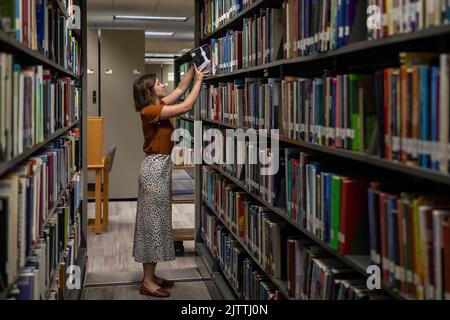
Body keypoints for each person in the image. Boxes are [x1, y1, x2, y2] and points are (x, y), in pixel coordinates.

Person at [132, 64, 208, 298]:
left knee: (159, 224)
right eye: (158, 83)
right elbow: (186, 104)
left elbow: (180, 87)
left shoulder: (159, 106)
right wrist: (200, 82)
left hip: (160, 169)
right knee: (152, 226)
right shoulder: (150, 111)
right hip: (154, 170)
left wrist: (196, 68)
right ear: (149, 91)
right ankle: (147, 282)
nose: (163, 85)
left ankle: (151, 276)